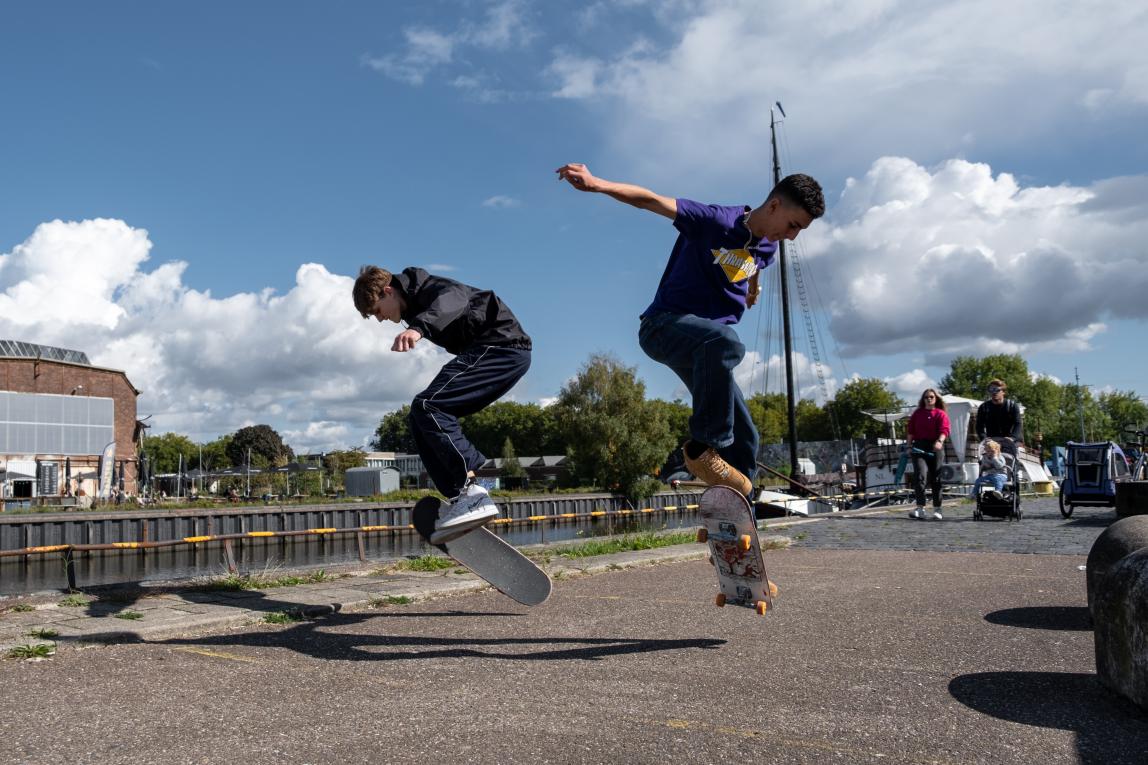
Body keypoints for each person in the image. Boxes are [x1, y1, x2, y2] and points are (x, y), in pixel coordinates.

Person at [556, 163, 825, 495]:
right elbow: (650, 200)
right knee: (726, 342)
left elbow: (757, 261)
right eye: (792, 225)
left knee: (746, 436)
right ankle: (702, 449)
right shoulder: (714, 221)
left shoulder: (768, 244)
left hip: (703, 347)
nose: (791, 236)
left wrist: (752, 287)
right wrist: (598, 184)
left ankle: (736, 511)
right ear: (773, 206)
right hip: (663, 327)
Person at [353, 265, 532, 542]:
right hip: (497, 352)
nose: (380, 320)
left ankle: (473, 491)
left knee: (429, 406)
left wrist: (418, 329)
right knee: (418, 414)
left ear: (388, 291)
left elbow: (454, 300)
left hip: (500, 345)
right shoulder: (414, 303)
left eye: (378, 311)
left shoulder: (427, 287)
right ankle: (461, 498)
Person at [905, 388, 951, 520]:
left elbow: (945, 430)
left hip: (935, 446)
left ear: (936, 398)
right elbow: (911, 431)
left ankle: (938, 508)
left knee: (936, 477)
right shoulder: (917, 414)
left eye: (931, 397)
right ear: (923, 399)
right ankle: (920, 508)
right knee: (920, 476)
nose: (929, 399)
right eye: (926, 397)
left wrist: (940, 441)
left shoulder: (941, 414)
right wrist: (908, 446)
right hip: (919, 447)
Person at [976, 378, 1023, 444]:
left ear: (1003, 392)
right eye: (991, 390)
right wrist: (984, 438)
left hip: (1009, 441)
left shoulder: (1012, 406)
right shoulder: (984, 407)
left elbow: (1018, 424)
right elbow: (979, 426)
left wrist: (1013, 438)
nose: (994, 392)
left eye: (997, 390)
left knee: (1010, 452)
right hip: (991, 442)